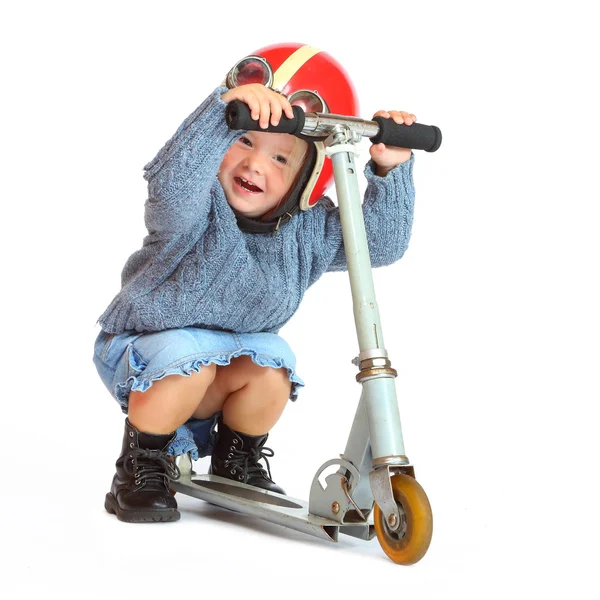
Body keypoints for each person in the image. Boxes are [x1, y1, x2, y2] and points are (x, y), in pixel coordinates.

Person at [93, 43, 417, 523]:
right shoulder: (193, 210)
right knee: (190, 362)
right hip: (147, 354)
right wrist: (222, 107)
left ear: (311, 176)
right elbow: (173, 180)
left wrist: (391, 168)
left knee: (274, 365)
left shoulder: (308, 229)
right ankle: (141, 465)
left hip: (226, 365)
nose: (255, 164)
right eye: (243, 141)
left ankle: (236, 458)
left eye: (281, 159)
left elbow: (379, 246)